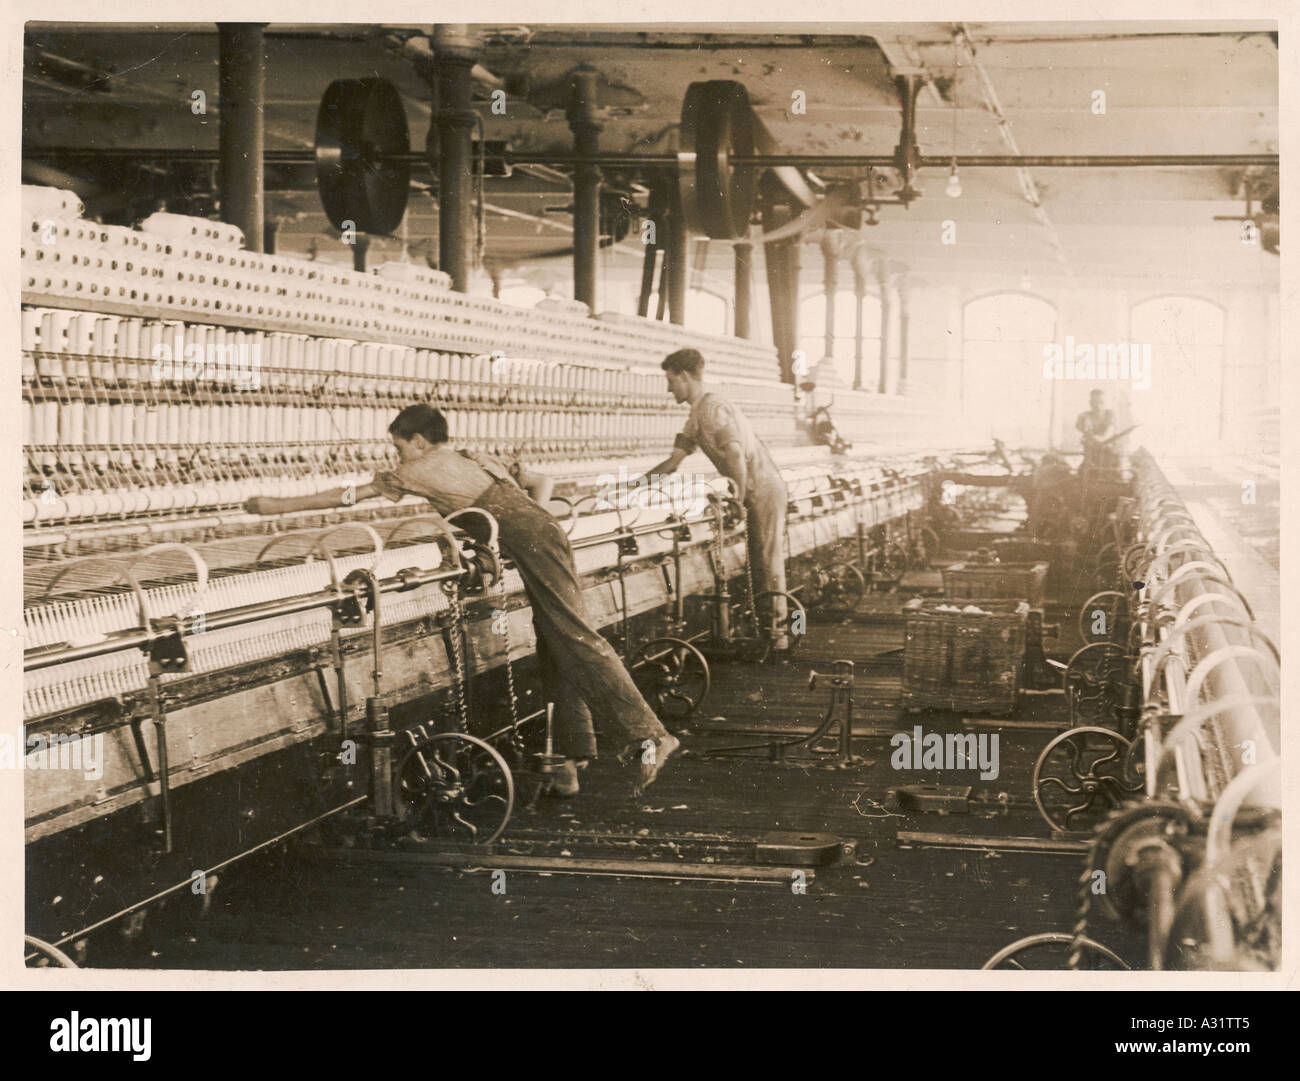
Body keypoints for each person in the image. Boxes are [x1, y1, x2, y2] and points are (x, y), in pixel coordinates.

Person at [244, 402, 678, 797]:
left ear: (418, 441)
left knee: (574, 638)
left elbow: (348, 496)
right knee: (556, 641)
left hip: (534, 540)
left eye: (399, 449)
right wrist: (509, 533)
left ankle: (652, 737)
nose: (398, 459)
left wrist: (273, 505)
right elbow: (540, 484)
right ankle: (570, 760)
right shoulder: (473, 457)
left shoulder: (421, 467)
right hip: (546, 531)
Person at [645, 348, 792, 658]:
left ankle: (777, 636)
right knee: (759, 560)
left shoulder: (712, 408)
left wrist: (737, 496)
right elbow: (674, 462)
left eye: (671, 380)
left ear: (685, 377)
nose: (669, 388)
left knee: (766, 561)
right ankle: (770, 633)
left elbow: (735, 453)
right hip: (753, 489)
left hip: (762, 488)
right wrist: (631, 487)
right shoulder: (696, 415)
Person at [1075, 389, 1121, 476]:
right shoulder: (1085, 416)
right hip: (1091, 454)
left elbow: (1110, 429)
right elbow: (1086, 430)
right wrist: (1095, 438)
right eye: (1095, 402)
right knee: (1084, 473)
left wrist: (1103, 439)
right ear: (1091, 403)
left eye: (1101, 402)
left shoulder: (1110, 414)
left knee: (1116, 473)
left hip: (1110, 454)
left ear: (1105, 403)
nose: (1098, 405)